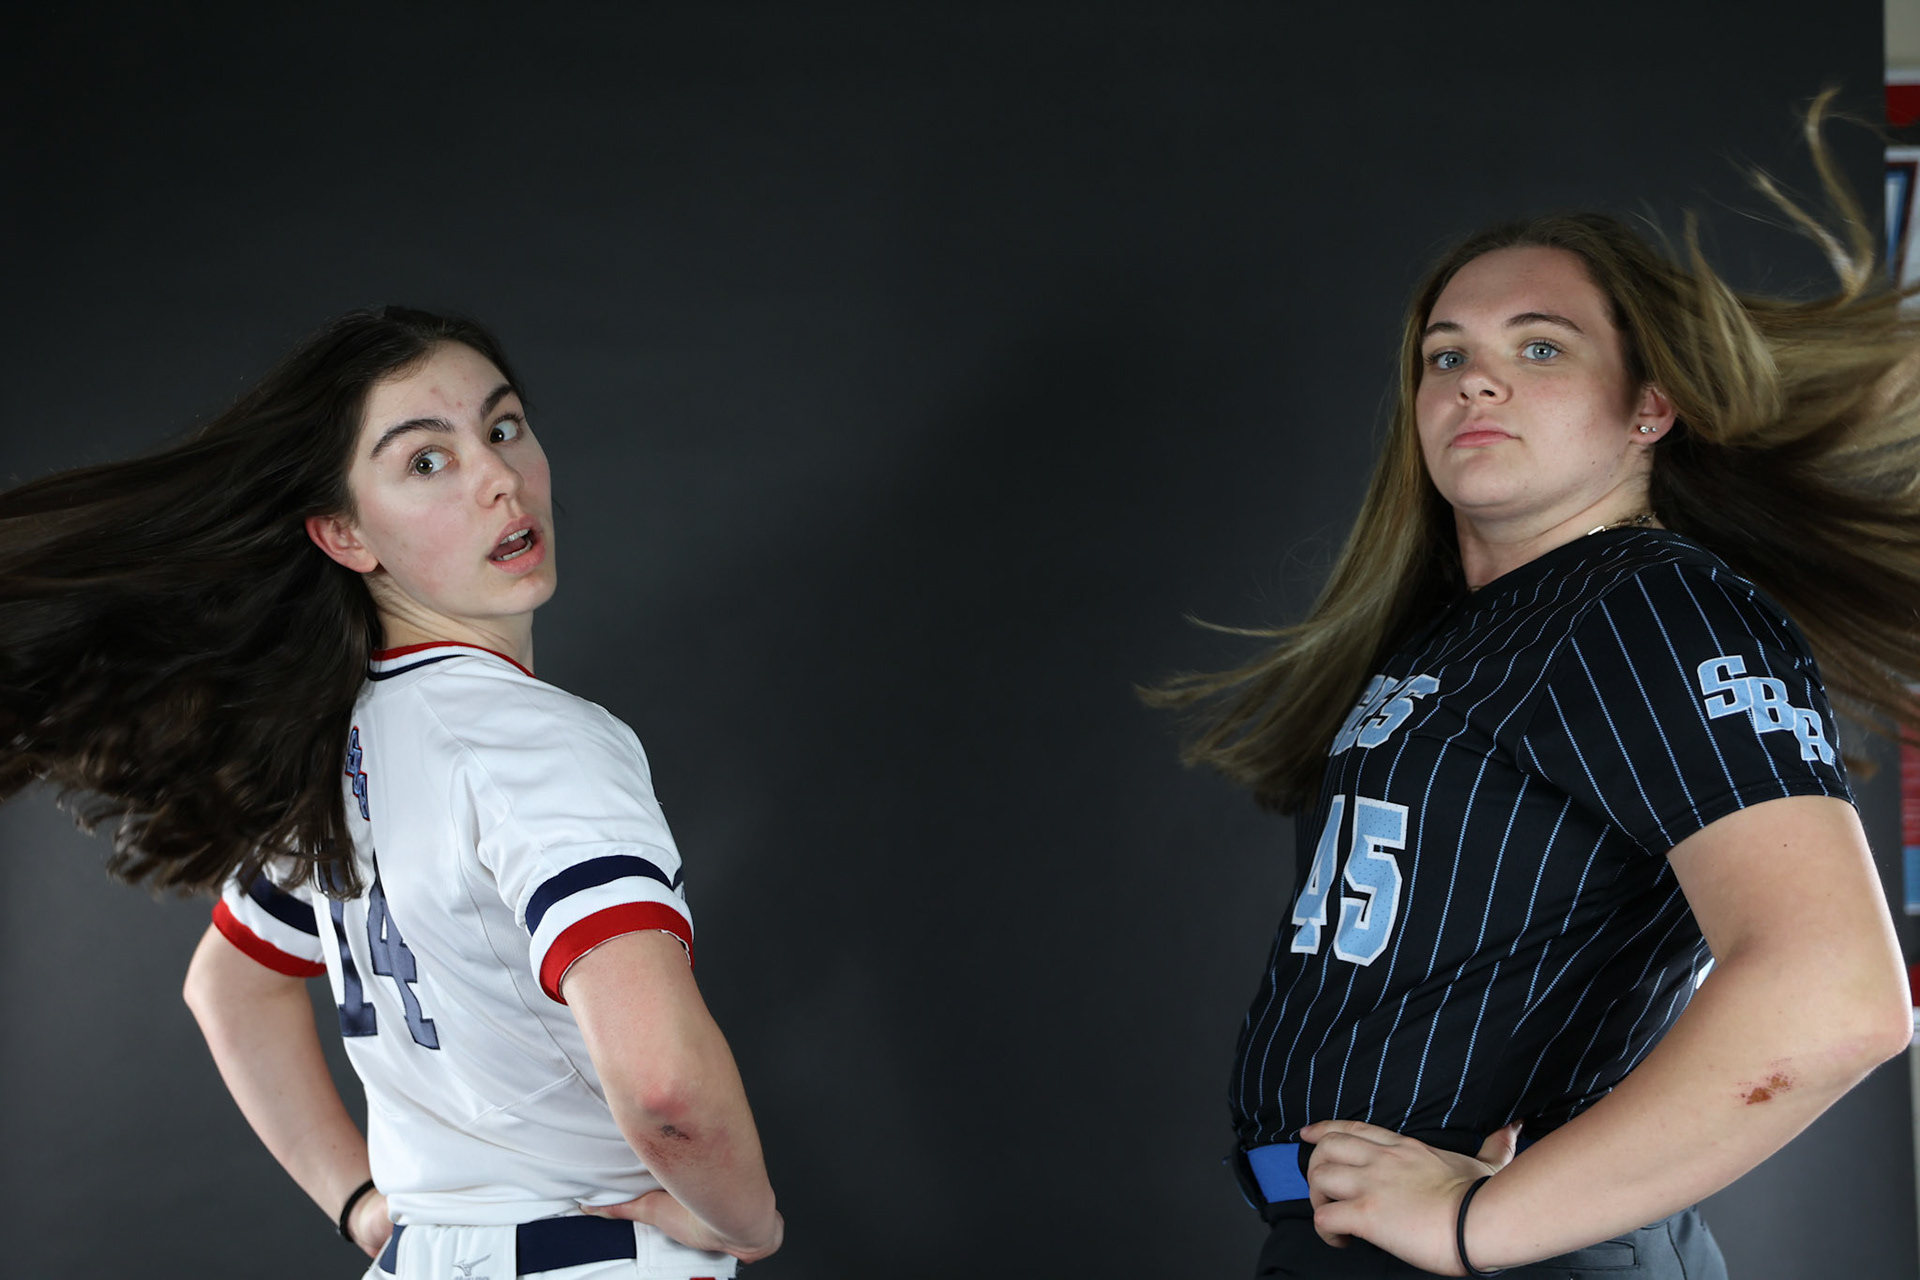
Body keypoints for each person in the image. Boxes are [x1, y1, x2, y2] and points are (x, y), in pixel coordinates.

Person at [1149, 98, 1917, 1277]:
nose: (1476, 381)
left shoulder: (1645, 600)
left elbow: (1836, 991)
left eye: (1540, 346)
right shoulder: (1469, 630)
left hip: (1510, 1252)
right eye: (1447, 354)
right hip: (1355, 1239)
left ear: (1649, 408)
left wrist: (1476, 1225)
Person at [0, 308, 782, 1278]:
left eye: (501, 428)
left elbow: (228, 984)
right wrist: (749, 1219)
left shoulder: (338, 743)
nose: (498, 475)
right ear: (342, 533)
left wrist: (362, 1203)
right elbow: (666, 1087)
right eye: (425, 461)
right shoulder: (543, 743)